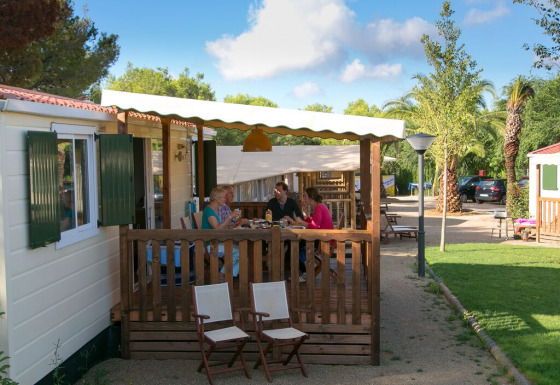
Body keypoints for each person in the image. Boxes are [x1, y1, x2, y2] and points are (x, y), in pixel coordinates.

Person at [290, 187, 334, 283]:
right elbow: (310, 221)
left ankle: (302, 273)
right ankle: (303, 272)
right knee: (296, 245)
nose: (303, 198)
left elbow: (313, 226)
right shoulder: (319, 207)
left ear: (312, 197)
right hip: (322, 239)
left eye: (305, 196)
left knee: (294, 247)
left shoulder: (319, 208)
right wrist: (304, 212)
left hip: (323, 242)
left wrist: (301, 221)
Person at [201, 187, 241, 280]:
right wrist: (230, 217)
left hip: (214, 242)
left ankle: (226, 275)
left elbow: (219, 226)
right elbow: (217, 228)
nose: (225, 199)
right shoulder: (209, 211)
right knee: (238, 252)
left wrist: (228, 226)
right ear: (216, 199)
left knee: (240, 249)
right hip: (208, 245)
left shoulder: (213, 209)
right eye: (223, 197)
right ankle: (222, 275)